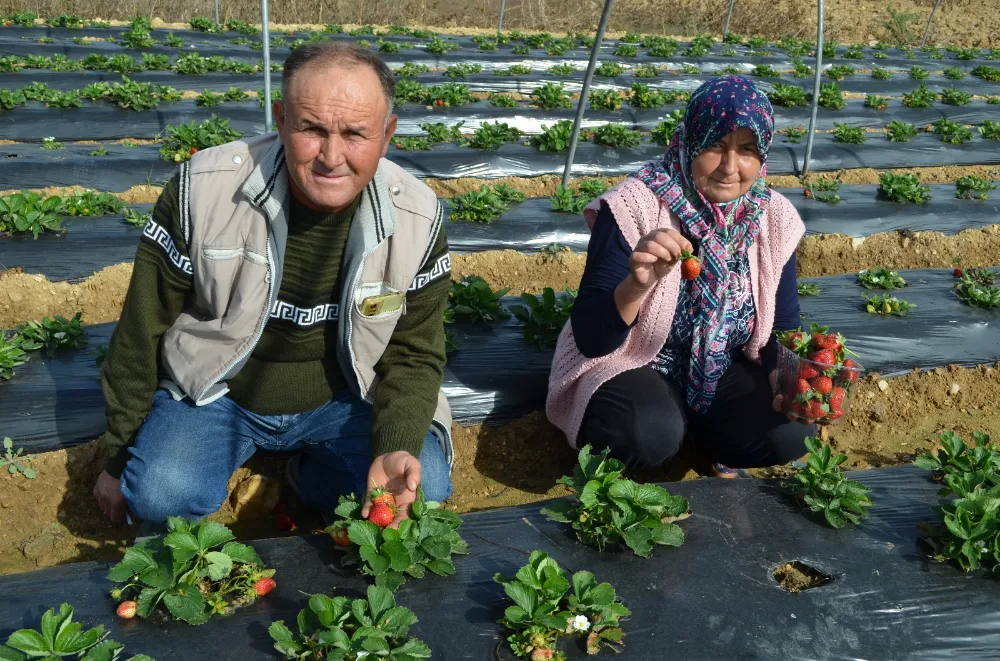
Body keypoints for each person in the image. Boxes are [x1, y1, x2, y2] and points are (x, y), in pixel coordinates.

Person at [93, 42, 453, 530]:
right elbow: (141, 328)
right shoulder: (204, 190)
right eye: (312, 129)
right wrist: (117, 459)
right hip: (220, 394)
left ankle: (308, 479)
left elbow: (414, 353)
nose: (332, 155)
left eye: (355, 134)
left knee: (422, 488)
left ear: (387, 135)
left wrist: (395, 443)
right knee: (159, 495)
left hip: (344, 400)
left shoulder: (418, 218)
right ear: (281, 119)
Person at [546, 75, 816, 475]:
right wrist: (636, 286)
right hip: (635, 362)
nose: (729, 167)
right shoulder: (633, 205)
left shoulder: (773, 217)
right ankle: (669, 430)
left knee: (792, 432)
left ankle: (709, 436)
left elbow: (784, 325)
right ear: (688, 141)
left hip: (721, 366)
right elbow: (591, 338)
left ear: (763, 156)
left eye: (746, 150)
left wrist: (786, 381)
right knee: (646, 432)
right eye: (714, 146)